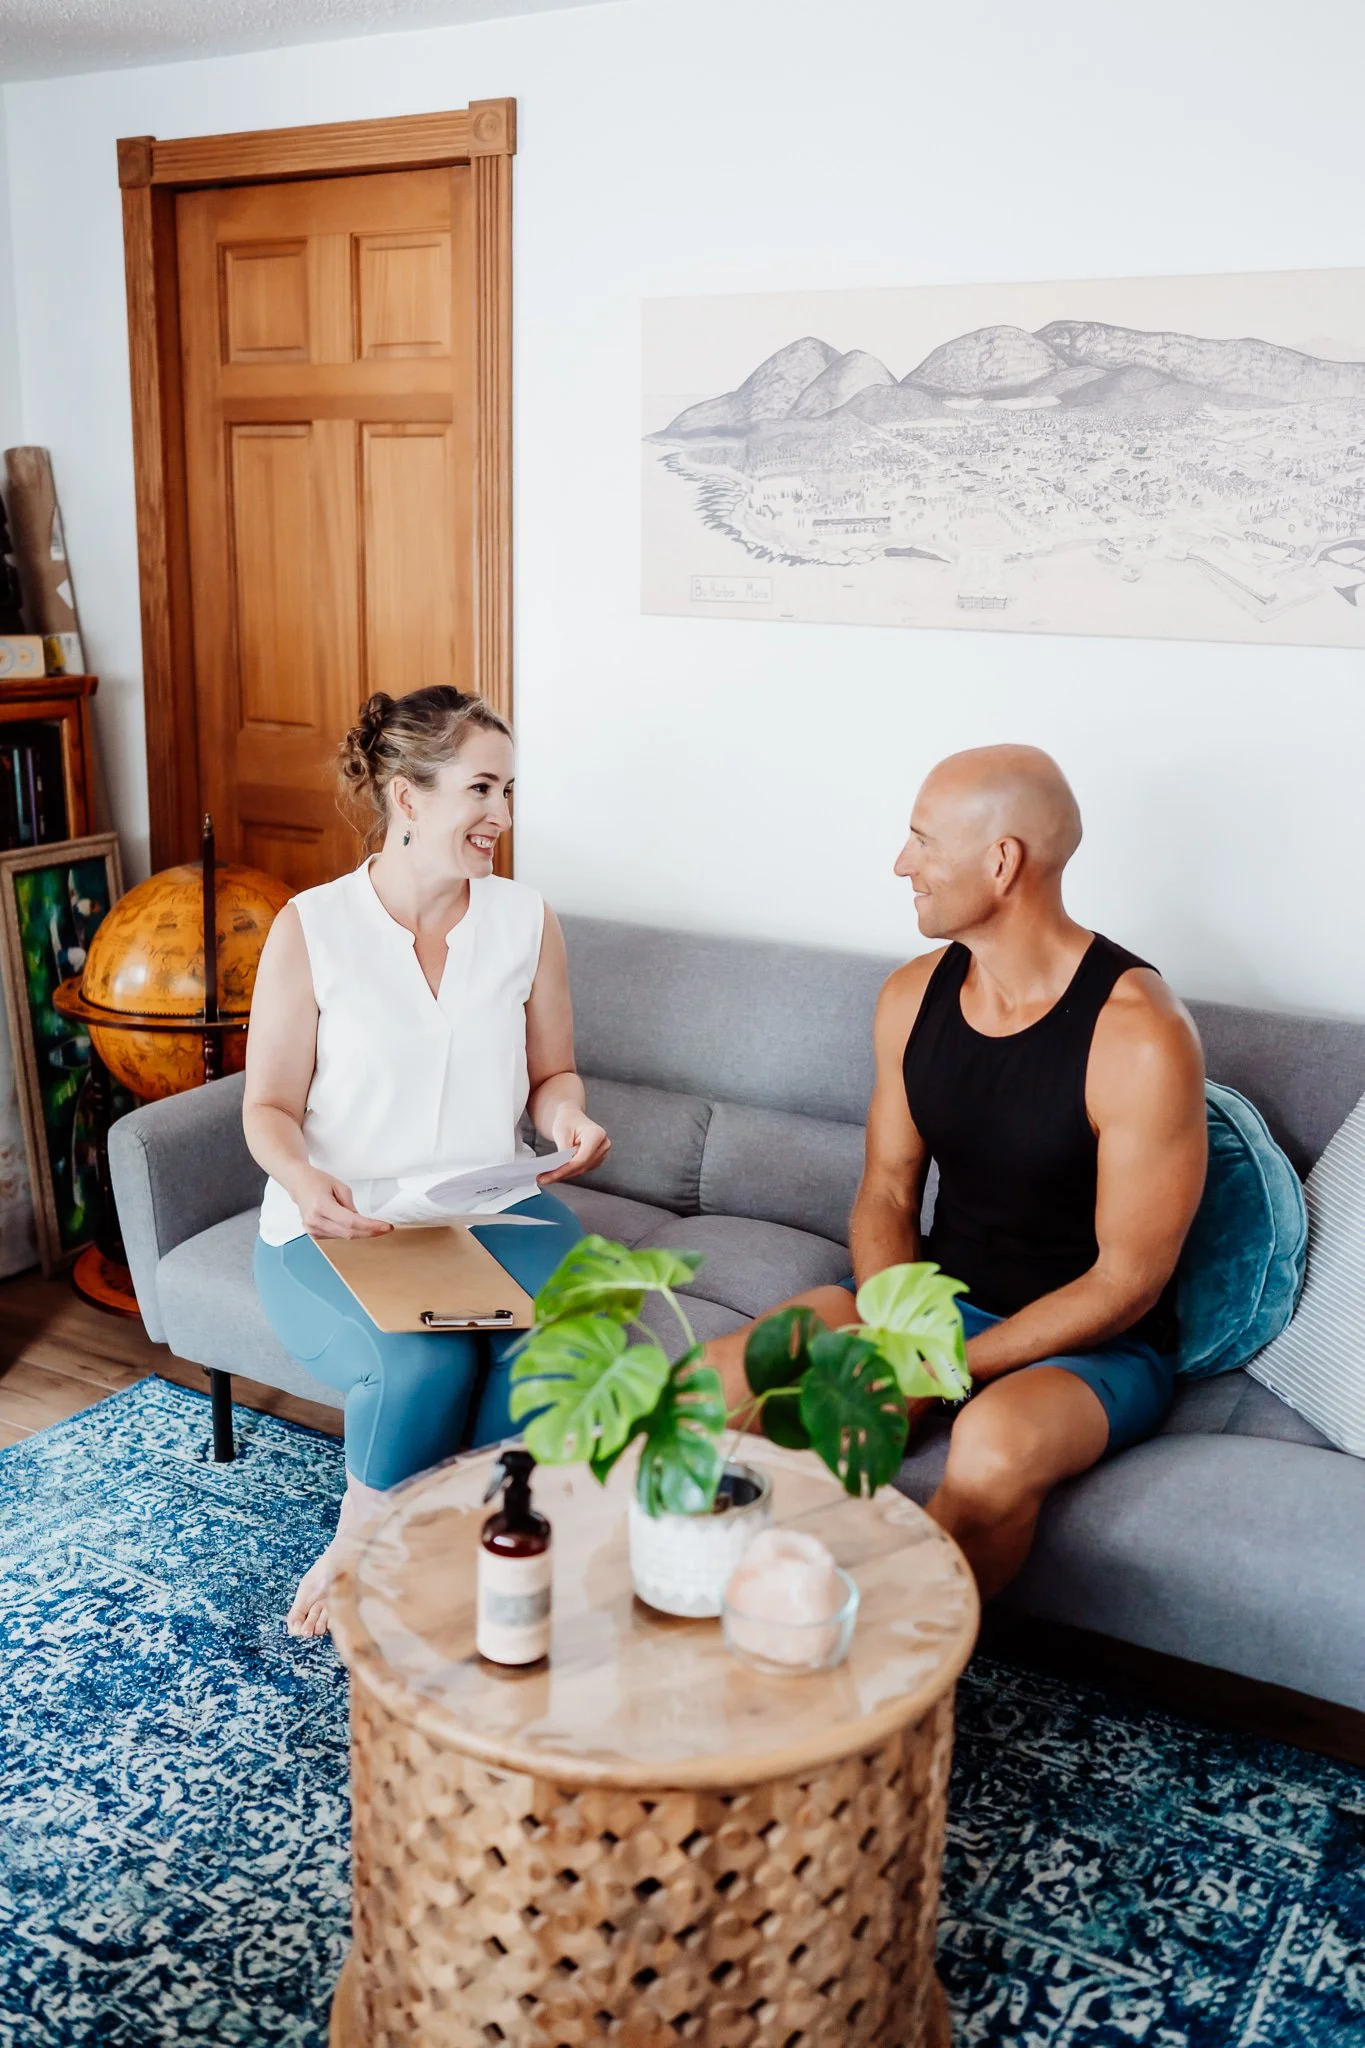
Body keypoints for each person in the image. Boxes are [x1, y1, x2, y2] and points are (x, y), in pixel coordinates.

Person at [704, 745, 1206, 1600]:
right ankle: (687, 1609)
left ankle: (886, 1676)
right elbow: (888, 1190)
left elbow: (1127, 1280)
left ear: (1001, 861)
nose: (902, 863)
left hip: (1092, 1343)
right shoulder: (910, 996)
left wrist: (948, 1367)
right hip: (935, 1303)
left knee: (994, 1448)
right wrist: (901, 1333)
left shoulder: (1139, 1033)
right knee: (712, 1387)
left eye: (922, 841)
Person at [244, 687, 609, 1639]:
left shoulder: (526, 920)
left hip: (491, 1206)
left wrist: (567, 1119)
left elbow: (553, 1073)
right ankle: (362, 1538)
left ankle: (469, 1538)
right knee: (423, 1364)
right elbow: (268, 1108)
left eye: (510, 790)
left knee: (568, 1338)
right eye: (481, 790)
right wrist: (301, 1179)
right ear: (408, 798)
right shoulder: (312, 928)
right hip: (342, 1221)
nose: (504, 816)